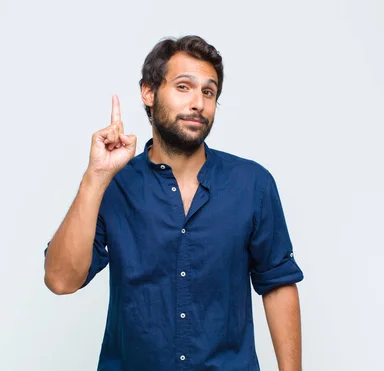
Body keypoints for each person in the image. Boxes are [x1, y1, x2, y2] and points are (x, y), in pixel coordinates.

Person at [43, 35, 304, 371]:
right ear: (149, 93)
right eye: (184, 87)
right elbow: (61, 280)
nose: (198, 102)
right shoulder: (114, 185)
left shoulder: (252, 184)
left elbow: (278, 284)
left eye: (208, 92)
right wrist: (95, 178)